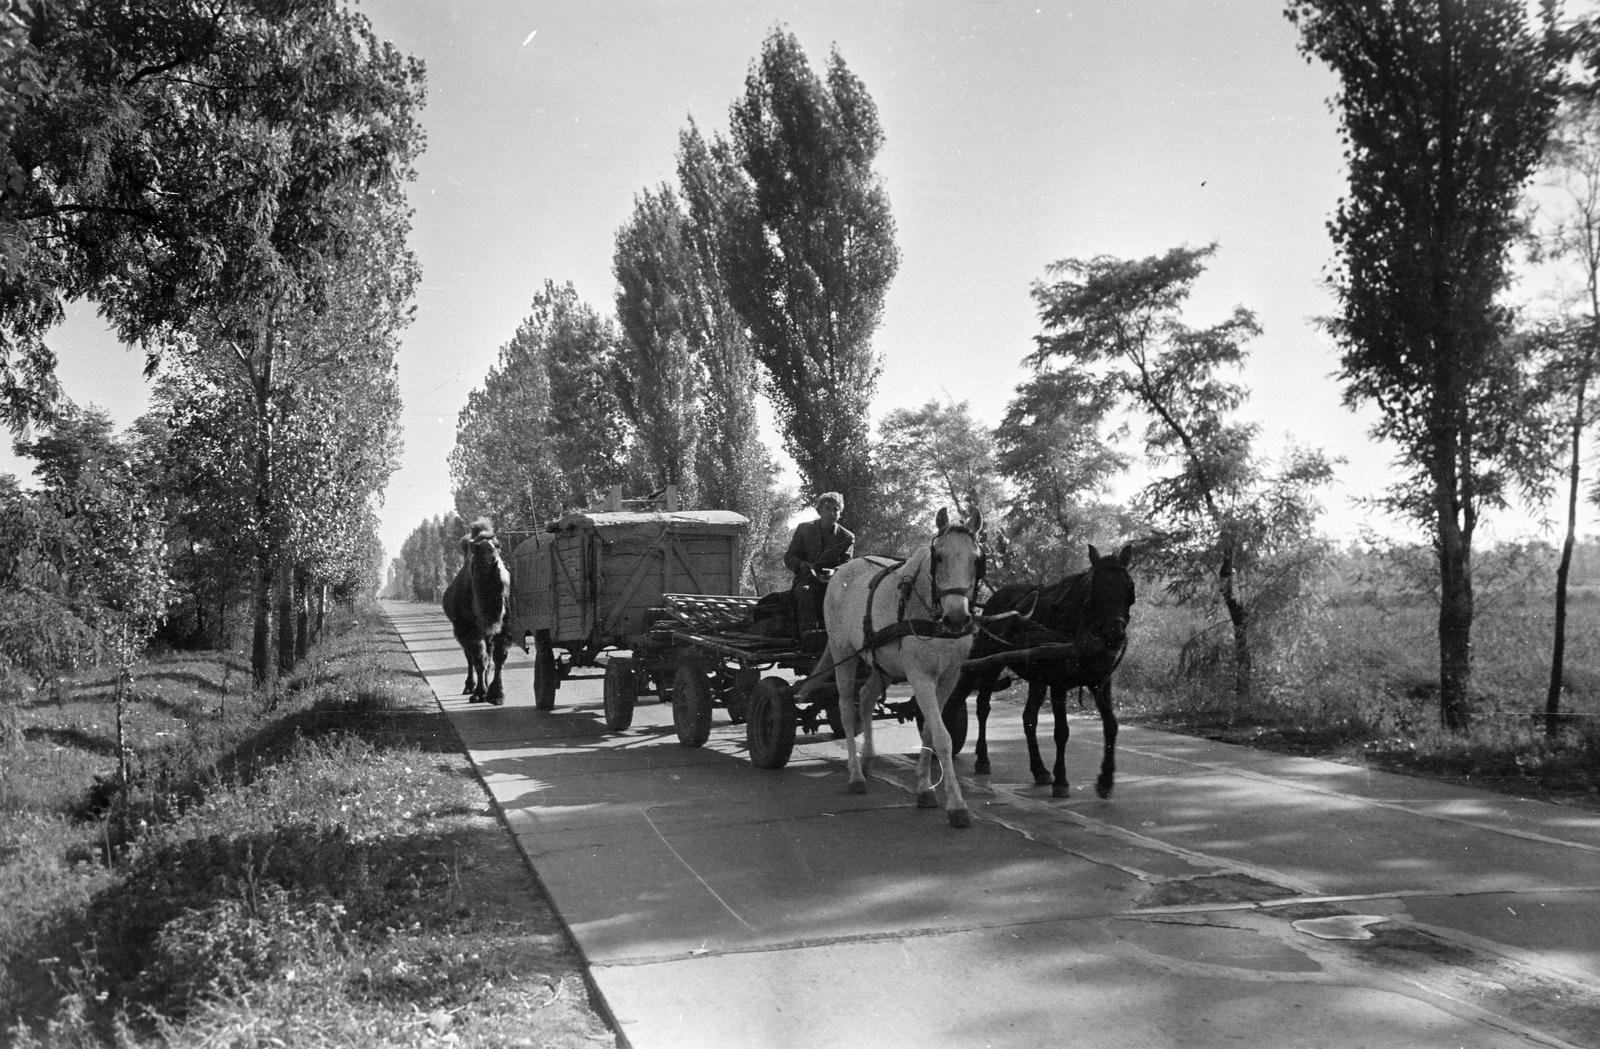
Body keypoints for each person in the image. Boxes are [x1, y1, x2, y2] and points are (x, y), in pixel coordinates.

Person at [783, 491, 855, 634]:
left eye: (836, 509)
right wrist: (802, 564)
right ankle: (809, 636)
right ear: (819, 510)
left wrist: (835, 571)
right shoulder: (804, 529)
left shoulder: (846, 537)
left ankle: (846, 636)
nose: (832, 513)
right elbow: (789, 557)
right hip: (807, 578)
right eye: (828, 508)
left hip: (834, 582)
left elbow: (847, 565)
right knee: (805, 592)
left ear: (840, 513)